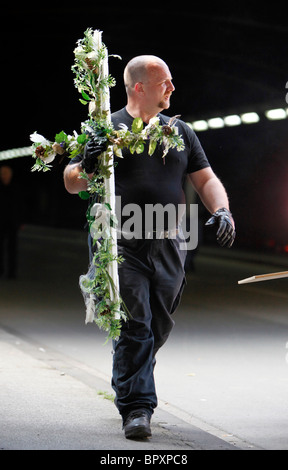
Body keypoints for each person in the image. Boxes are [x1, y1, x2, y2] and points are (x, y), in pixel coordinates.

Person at [63, 55, 235, 439]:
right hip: (121, 243)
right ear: (139, 87)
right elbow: (71, 181)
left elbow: (206, 179)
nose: (173, 88)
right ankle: (137, 409)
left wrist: (222, 210)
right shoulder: (104, 128)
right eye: (165, 82)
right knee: (135, 323)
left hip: (170, 243)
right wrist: (87, 163)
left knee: (158, 324)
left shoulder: (181, 131)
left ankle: (128, 372)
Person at [0, 165, 20, 279]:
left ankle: (12, 272)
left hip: (12, 221)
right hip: (1, 221)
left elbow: (21, 205)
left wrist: (20, 221)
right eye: (2, 173)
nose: (4, 176)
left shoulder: (16, 188)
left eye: (6, 173)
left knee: (12, 248)